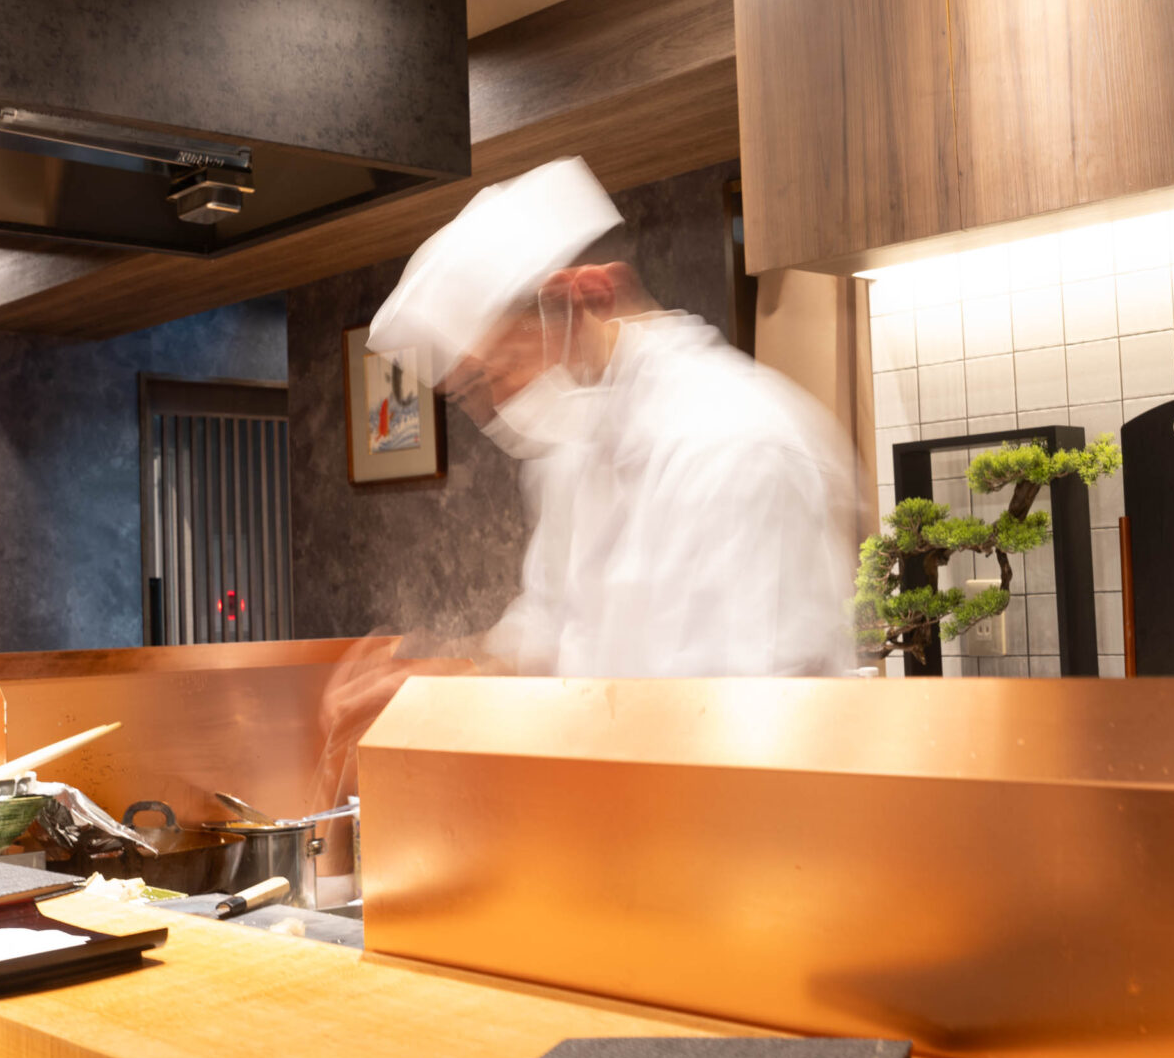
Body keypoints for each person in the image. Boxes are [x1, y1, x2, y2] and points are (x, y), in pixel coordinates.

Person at [314, 158, 859, 800]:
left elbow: (734, 715)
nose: (495, 409)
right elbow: (548, 633)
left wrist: (467, 704)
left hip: (748, 830)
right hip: (626, 828)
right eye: (471, 393)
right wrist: (434, 678)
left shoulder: (735, 441)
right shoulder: (573, 454)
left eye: (499, 372)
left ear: (583, 297)